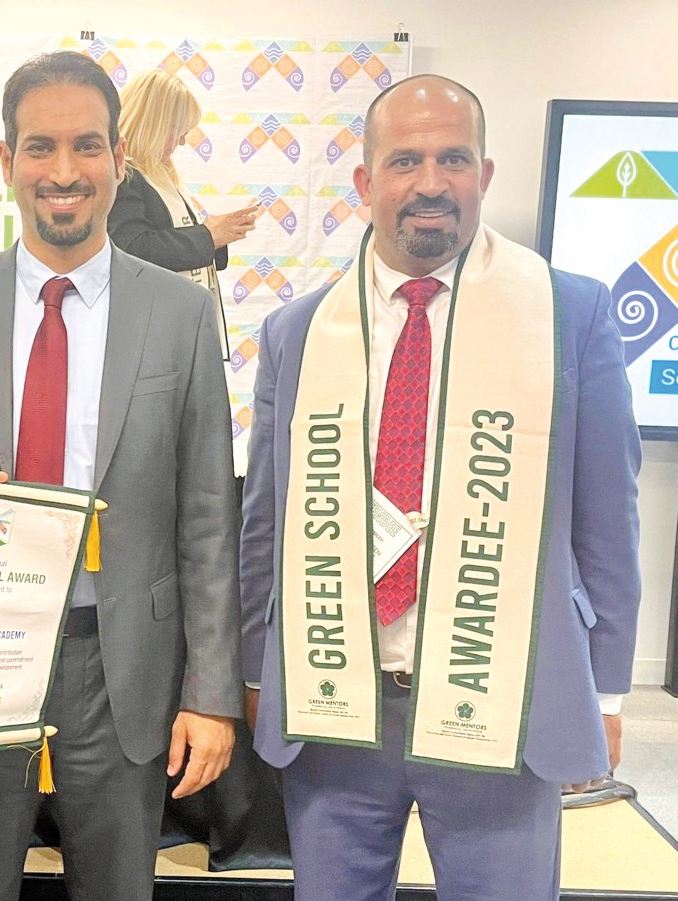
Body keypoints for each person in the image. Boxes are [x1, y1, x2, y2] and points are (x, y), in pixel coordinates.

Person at [240, 75, 641, 900]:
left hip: (506, 705)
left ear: (484, 174)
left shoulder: (569, 315)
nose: (431, 182)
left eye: (454, 159)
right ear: (366, 181)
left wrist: (603, 690)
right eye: (405, 161)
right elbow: (264, 526)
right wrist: (254, 671)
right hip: (337, 707)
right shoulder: (299, 332)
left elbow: (608, 519)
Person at [0, 51, 241, 901]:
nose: (64, 171)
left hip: (123, 665)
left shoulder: (181, 312)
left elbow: (208, 516)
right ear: (7, 161)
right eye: (40, 147)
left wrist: (212, 692)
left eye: (86, 146)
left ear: (120, 158)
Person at [109, 68, 260, 358]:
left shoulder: (160, 174)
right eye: (177, 129)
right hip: (150, 338)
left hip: (179, 330)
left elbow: (172, 239)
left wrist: (218, 235)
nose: (181, 141)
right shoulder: (123, 177)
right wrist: (208, 236)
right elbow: (133, 248)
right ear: (153, 123)